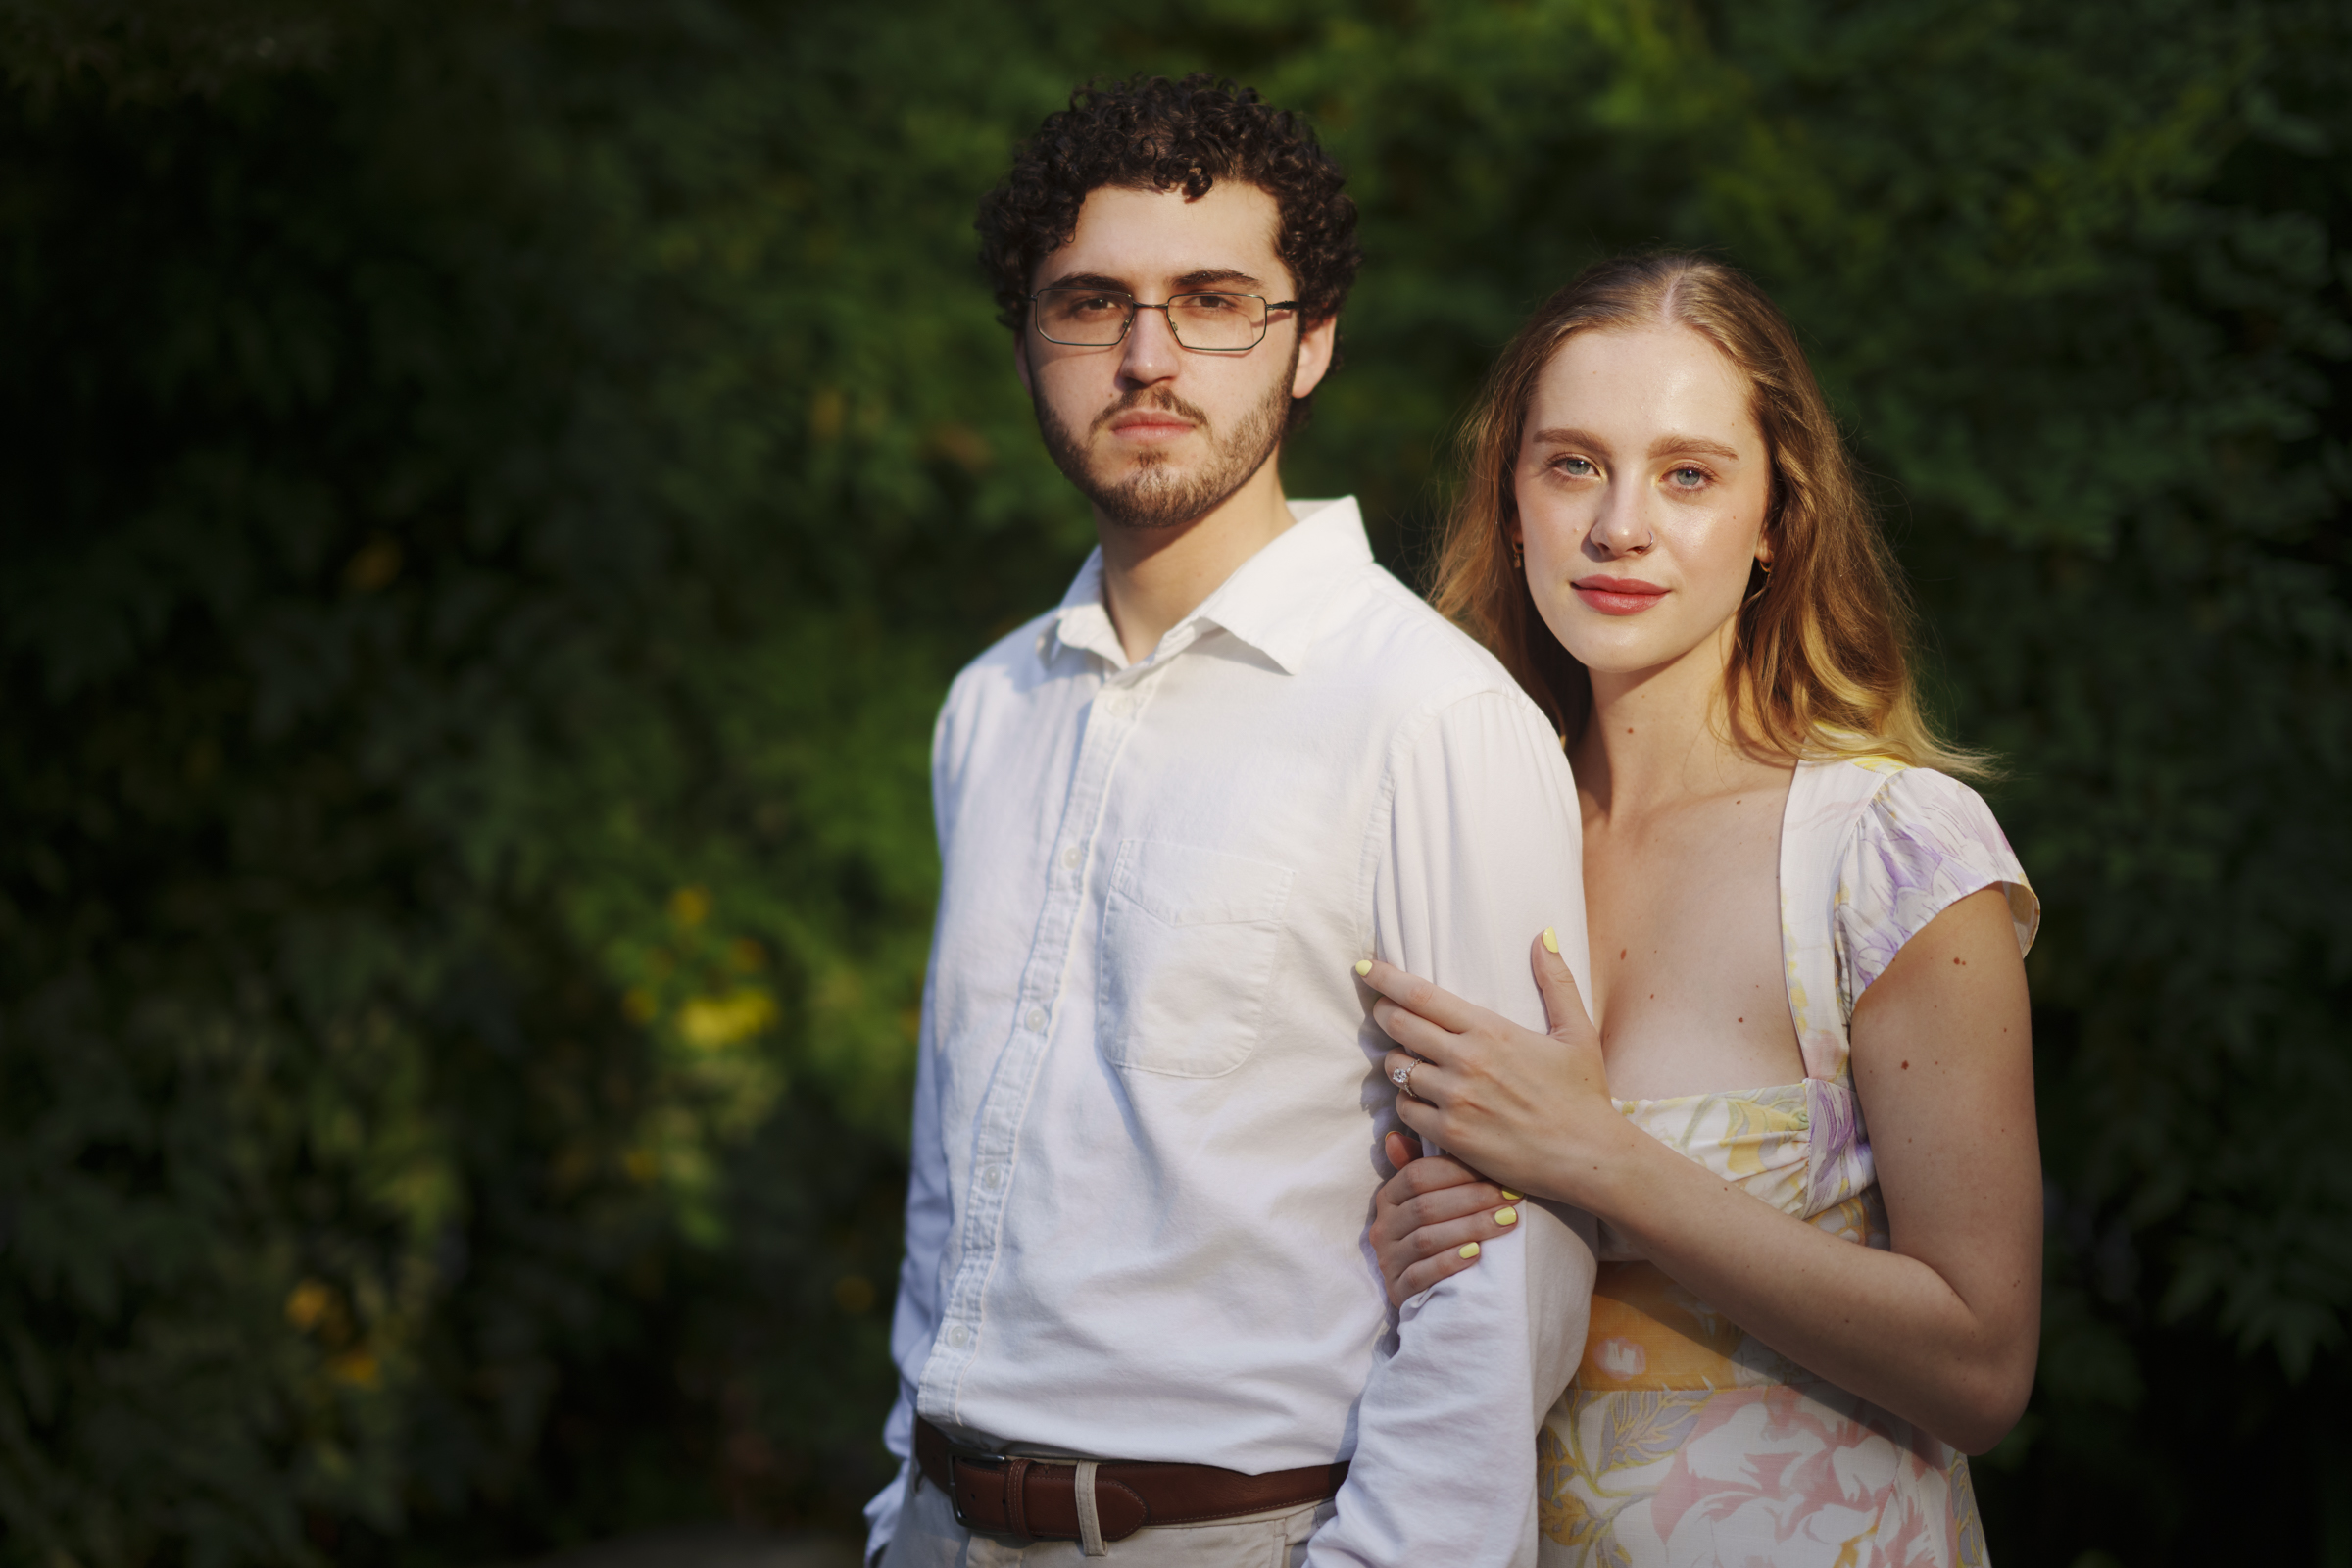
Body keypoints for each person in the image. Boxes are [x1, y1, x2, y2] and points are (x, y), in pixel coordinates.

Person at [866, 75, 1600, 1568]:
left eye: (1211, 301)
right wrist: (897, 1515)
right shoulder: (988, 709)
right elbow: (956, 1177)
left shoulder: (1429, 721)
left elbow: (1504, 1277)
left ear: (1309, 339)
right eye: (1090, 304)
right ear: (1029, 335)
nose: (1146, 358)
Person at [1353, 253, 2041, 1566]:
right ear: (1509, 504)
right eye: (1571, 466)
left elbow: (1984, 1364)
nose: (1620, 526)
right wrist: (1395, 1249)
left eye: (1687, 474)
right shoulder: (1461, 837)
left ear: (1779, 517)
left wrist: (1603, 1163)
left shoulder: (1885, 850)